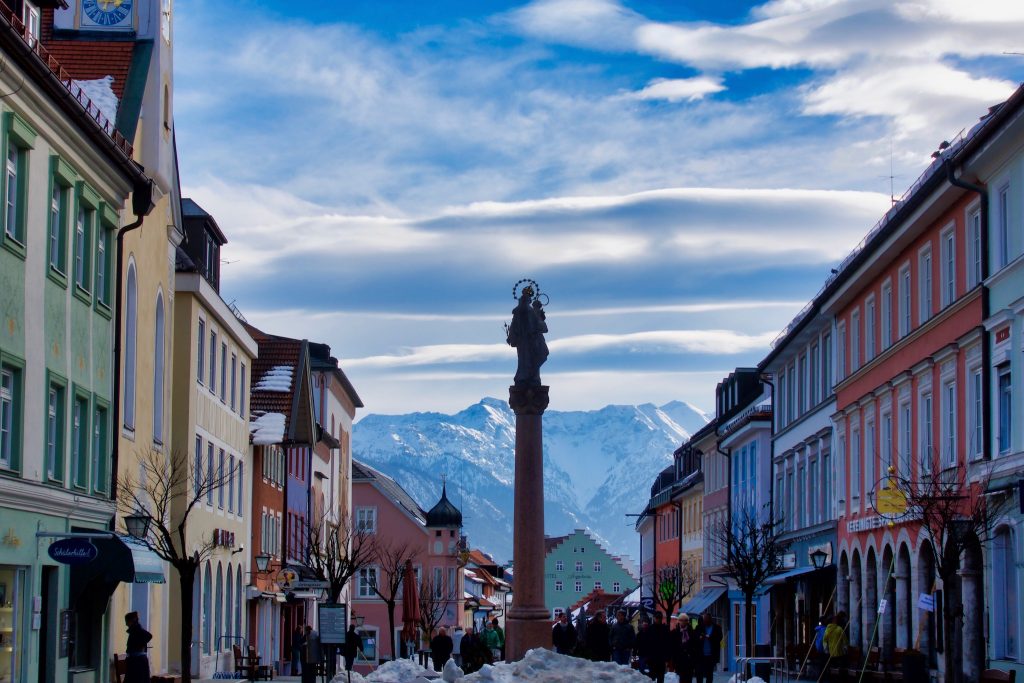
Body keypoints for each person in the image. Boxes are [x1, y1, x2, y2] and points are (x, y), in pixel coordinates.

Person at [506, 285, 549, 387]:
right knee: (532, 360)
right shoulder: (530, 311)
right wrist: (538, 312)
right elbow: (541, 327)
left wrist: (511, 337)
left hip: (524, 342)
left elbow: (513, 326)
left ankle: (524, 378)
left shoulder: (519, 311)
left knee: (524, 361)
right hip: (531, 341)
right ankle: (531, 378)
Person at [123, 611, 152, 683]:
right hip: (137, 661)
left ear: (131, 621)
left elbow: (149, 636)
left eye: (127, 621)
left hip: (137, 662)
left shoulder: (136, 630)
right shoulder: (135, 630)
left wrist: (139, 645)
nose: (126, 624)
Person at [694, 613, 723, 683]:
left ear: (710, 619)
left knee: (709, 674)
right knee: (699, 674)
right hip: (700, 655)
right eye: (704, 619)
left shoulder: (716, 628)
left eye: (706, 619)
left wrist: (710, 637)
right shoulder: (699, 627)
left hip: (711, 655)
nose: (704, 621)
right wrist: (699, 637)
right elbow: (694, 637)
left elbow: (719, 638)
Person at [823, 611, 849, 681]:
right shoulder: (839, 629)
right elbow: (845, 641)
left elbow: (824, 641)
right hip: (839, 653)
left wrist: (826, 650)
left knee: (831, 669)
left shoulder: (827, 630)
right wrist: (845, 649)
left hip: (831, 653)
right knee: (840, 669)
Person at [647, 612, 672, 683]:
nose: (658, 619)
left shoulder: (665, 629)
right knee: (652, 678)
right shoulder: (650, 629)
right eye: (657, 618)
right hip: (652, 658)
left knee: (660, 677)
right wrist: (647, 657)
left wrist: (668, 657)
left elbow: (668, 644)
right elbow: (647, 644)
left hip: (661, 658)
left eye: (660, 618)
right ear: (654, 618)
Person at [671, 614, 695, 683]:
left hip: (689, 660)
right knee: (681, 679)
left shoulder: (691, 632)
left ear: (688, 621)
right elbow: (673, 647)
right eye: (681, 620)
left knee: (689, 679)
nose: (683, 622)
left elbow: (694, 645)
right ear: (678, 621)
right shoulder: (675, 632)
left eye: (685, 620)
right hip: (679, 660)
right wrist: (673, 661)